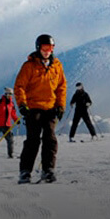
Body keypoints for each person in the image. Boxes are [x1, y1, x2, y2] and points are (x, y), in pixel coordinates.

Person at [14, 34, 66, 184]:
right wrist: (22, 104)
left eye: (50, 48)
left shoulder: (56, 65)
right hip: (33, 108)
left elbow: (61, 86)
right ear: (38, 48)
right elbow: (20, 86)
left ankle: (48, 170)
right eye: (44, 47)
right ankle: (25, 172)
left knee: (50, 139)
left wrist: (60, 105)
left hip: (50, 108)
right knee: (33, 140)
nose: (47, 51)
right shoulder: (29, 66)